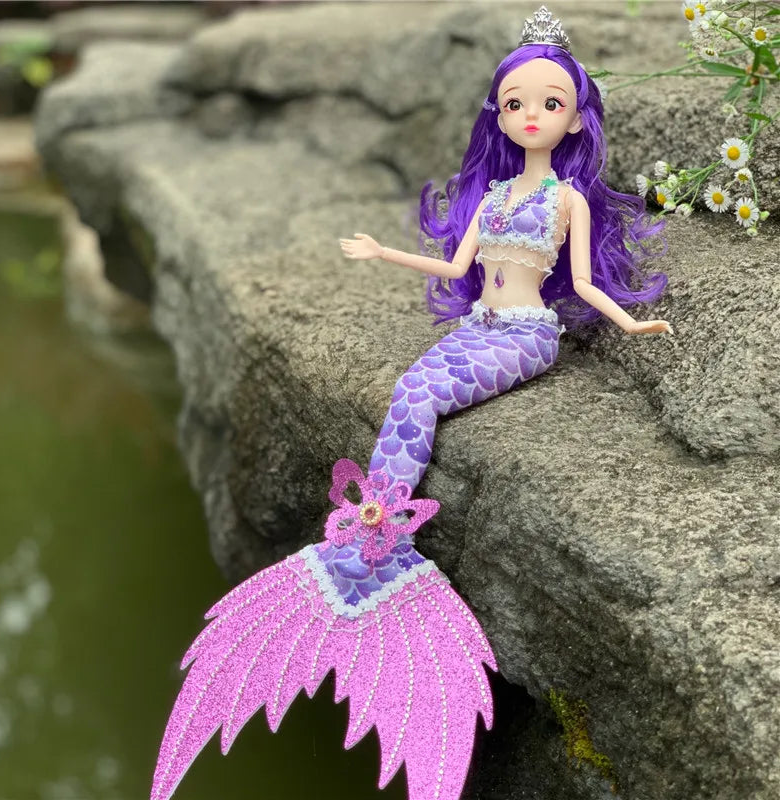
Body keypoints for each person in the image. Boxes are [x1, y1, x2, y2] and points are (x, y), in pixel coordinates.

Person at [151, 8, 671, 800]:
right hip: (479, 323)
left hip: (527, 335)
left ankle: (380, 545)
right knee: (406, 389)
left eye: (551, 104)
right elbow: (455, 267)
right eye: (516, 104)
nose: (532, 115)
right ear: (499, 114)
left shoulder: (567, 199)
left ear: (574, 118)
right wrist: (381, 251)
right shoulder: (494, 195)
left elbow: (582, 282)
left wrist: (630, 322)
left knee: (424, 396)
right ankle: (369, 541)